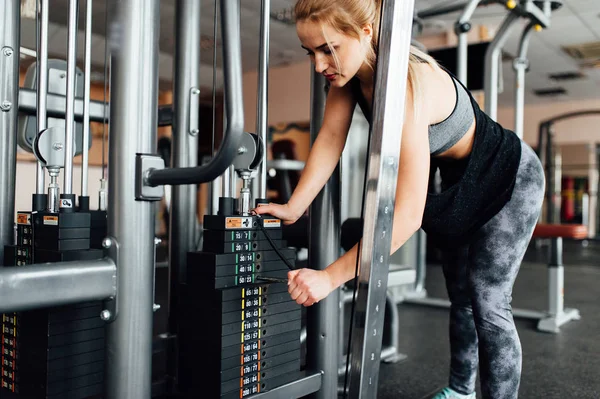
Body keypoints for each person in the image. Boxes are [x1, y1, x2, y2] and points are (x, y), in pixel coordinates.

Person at [253, 1, 545, 398]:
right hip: (460, 179)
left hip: (510, 173)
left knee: (488, 299)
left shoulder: (407, 83)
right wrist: (295, 205)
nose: (319, 64)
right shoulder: (349, 78)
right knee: (460, 292)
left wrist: (329, 277)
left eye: (328, 48)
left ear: (366, 32)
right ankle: (461, 390)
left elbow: (406, 217)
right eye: (311, 52)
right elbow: (329, 140)